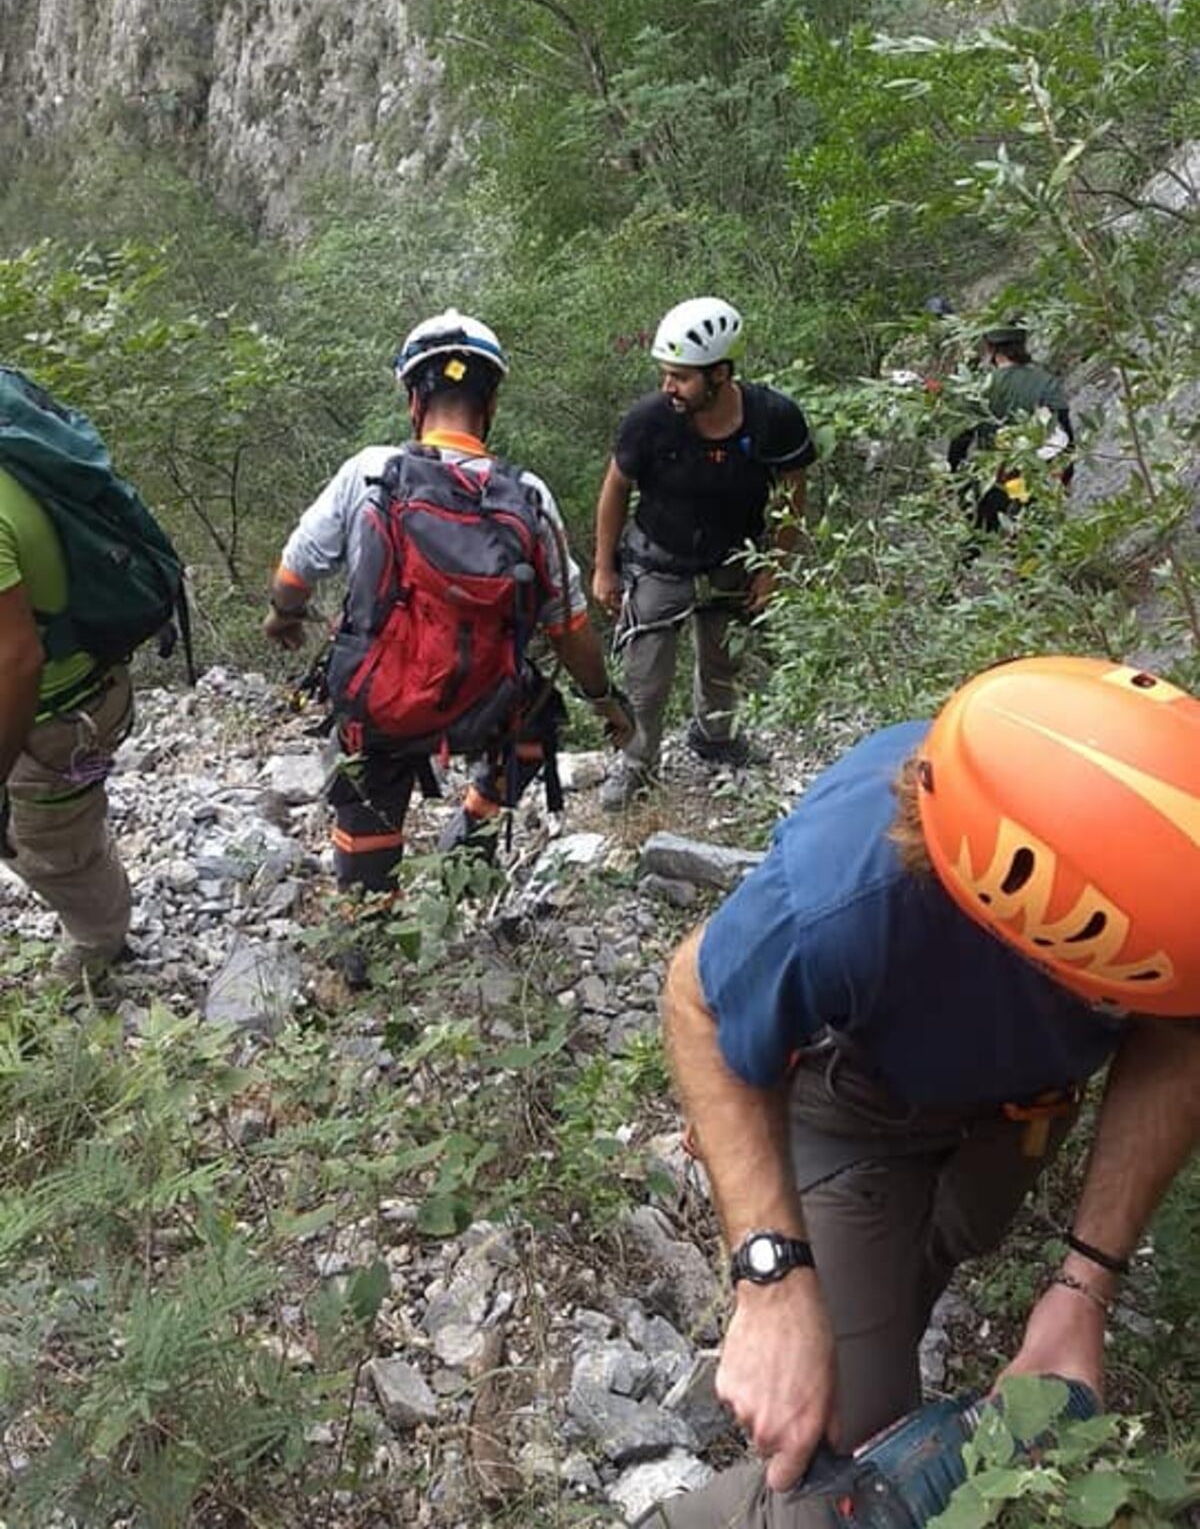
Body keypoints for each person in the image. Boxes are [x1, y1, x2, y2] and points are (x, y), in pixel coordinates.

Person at [640, 656, 1200, 1527]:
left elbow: (1179, 1035)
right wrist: (773, 1282)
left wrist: (1084, 1284)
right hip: (855, 1100)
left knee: (934, 1257)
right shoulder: (844, 889)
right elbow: (696, 998)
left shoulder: (1168, 867)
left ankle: (883, 1308)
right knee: (838, 1479)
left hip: (1014, 1114)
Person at [264, 312, 632, 962]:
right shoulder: (528, 494)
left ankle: (366, 937)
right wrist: (604, 698)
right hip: (484, 703)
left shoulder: (369, 472)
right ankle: (475, 830)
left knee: (371, 781)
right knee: (537, 719)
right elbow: (569, 626)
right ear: (489, 404)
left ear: (413, 400)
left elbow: (295, 572)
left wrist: (283, 615)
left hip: (382, 701)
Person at [593, 297, 815, 811]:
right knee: (646, 677)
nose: (668, 387)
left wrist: (773, 569)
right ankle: (636, 762)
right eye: (666, 375)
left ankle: (715, 737)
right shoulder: (650, 420)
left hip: (733, 559)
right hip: (657, 559)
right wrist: (605, 568)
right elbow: (615, 489)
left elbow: (791, 493)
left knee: (721, 662)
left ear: (720, 373)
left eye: (681, 377)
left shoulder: (772, 418)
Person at [0, 464, 135, 987]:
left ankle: (100, 939)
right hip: (82, 687)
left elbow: (19, 660)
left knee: (47, 849)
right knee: (61, 829)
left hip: (55, 716)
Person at [948, 324, 1074, 532]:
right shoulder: (1045, 382)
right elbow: (1066, 433)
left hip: (997, 476)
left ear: (991, 351)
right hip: (1041, 473)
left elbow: (960, 439)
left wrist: (954, 477)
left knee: (984, 537)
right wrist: (1066, 476)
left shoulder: (979, 389)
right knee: (1039, 534)